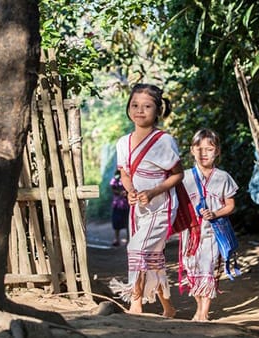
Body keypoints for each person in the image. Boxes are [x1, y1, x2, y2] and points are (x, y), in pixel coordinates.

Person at [109, 83, 181, 318]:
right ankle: (168, 307)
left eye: (147, 106)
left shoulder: (164, 141)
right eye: (135, 105)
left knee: (137, 249)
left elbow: (177, 174)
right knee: (152, 257)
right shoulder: (123, 142)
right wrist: (130, 190)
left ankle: (135, 302)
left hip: (161, 207)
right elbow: (125, 173)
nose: (140, 110)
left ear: (158, 110)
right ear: (128, 108)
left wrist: (153, 191)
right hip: (137, 208)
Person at [180, 128, 239, 322]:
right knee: (192, 269)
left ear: (218, 151)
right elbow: (178, 204)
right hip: (190, 234)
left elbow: (230, 205)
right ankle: (199, 308)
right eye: (199, 148)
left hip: (213, 231)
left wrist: (215, 213)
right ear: (192, 150)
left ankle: (204, 313)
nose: (203, 153)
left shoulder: (223, 177)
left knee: (209, 267)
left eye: (209, 148)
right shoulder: (184, 178)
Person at [109, 169, 129, 246]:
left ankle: (128, 240)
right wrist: (120, 192)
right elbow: (113, 189)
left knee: (127, 223)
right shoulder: (115, 179)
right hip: (117, 204)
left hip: (126, 205)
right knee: (116, 222)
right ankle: (116, 239)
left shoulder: (128, 178)